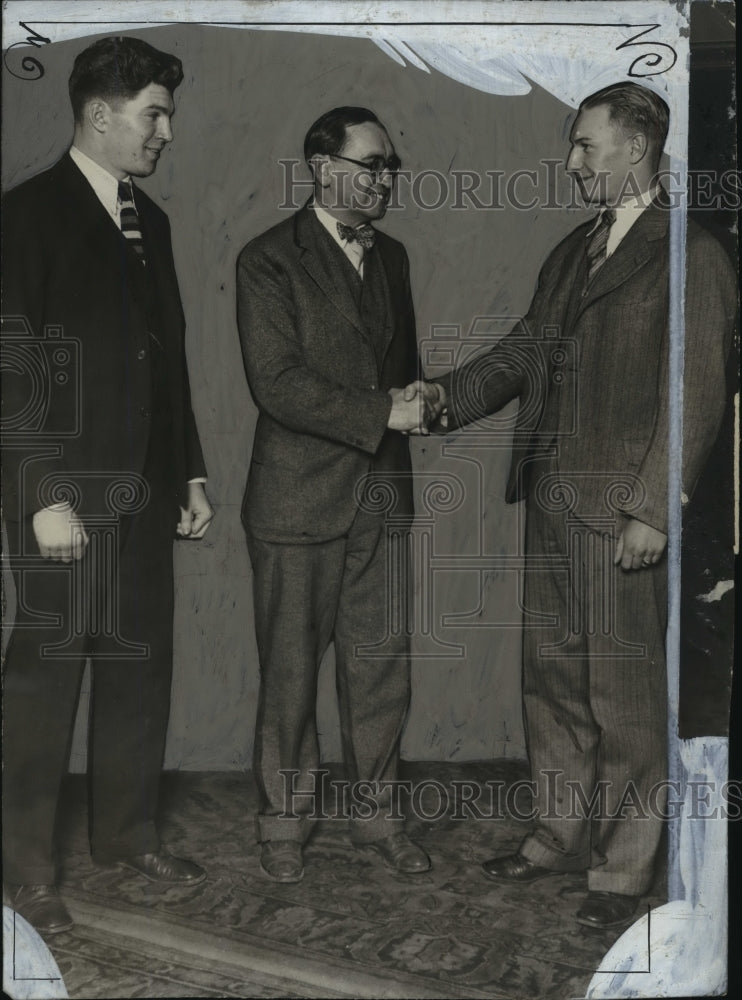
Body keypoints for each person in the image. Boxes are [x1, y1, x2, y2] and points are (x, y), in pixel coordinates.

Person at [408, 82, 736, 928]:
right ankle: (557, 839)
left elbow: (695, 392)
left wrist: (654, 508)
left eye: (586, 146)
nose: (572, 163)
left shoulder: (689, 253)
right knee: (552, 680)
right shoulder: (572, 250)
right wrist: (439, 400)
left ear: (638, 149)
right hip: (552, 502)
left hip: (621, 512)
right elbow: (524, 350)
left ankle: (625, 873)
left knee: (624, 695)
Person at [1, 36, 214, 937]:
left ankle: (125, 838)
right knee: (44, 682)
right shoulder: (25, 216)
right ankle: (24, 871)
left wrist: (191, 470)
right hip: (62, 497)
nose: (166, 129)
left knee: (139, 668)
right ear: (100, 113)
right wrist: (39, 493)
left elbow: (167, 359)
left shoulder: (150, 222)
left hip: (146, 492)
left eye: (166, 113)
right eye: (154, 112)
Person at [236, 107, 440, 883]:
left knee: (382, 668)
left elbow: (403, 367)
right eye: (372, 163)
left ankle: (379, 821)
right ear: (323, 168)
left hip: (381, 496)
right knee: (290, 671)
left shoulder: (392, 257)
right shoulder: (267, 261)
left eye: (392, 165)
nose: (386, 178)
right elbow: (277, 385)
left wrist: (421, 401)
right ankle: (283, 824)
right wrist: (384, 411)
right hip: (296, 502)